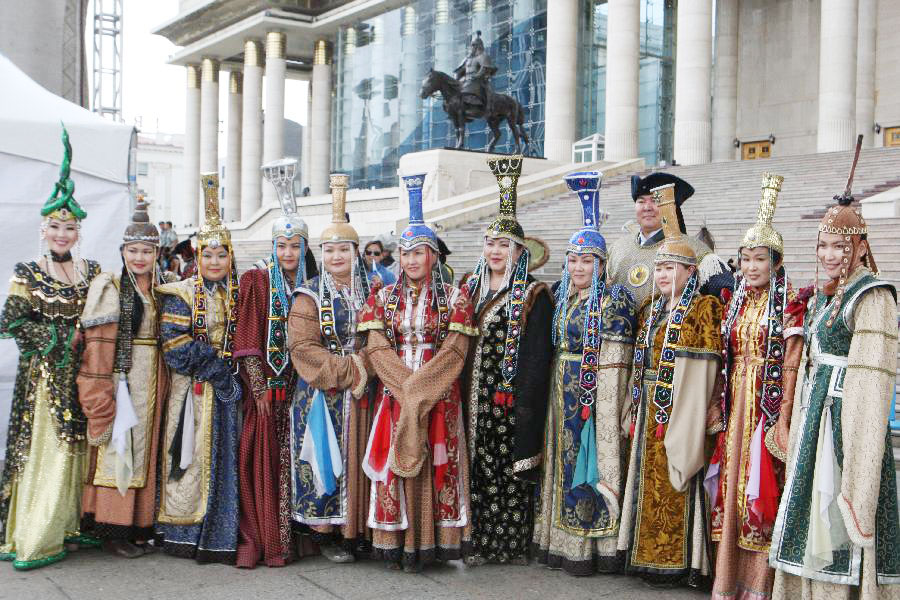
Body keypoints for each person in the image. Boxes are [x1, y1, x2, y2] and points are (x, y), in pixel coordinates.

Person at [769, 145, 900, 600]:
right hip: (817, 420)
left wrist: (857, 457)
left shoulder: (873, 295)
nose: (827, 254)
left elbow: (872, 380)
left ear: (861, 246)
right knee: (808, 512)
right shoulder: (826, 295)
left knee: (837, 513)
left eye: (839, 246)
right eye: (822, 245)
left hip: (847, 424)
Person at [358, 173, 478, 573]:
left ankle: (431, 543)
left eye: (419, 251)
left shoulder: (455, 298)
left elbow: (454, 351)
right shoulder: (382, 297)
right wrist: (405, 389)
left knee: (437, 464)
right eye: (405, 252)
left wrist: (421, 391)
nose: (411, 259)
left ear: (433, 256)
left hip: (439, 395)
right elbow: (376, 346)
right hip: (395, 392)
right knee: (396, 465)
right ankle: (395, 544)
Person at [0, 126, 102, 570]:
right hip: (42, 380)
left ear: (79, 231)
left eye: (71, 227)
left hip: (81, 376)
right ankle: (36, 534)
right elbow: (10, 322)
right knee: (48, 449)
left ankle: (68, 525)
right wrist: (58, 338)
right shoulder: (27, 272)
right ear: (44, 229)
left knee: (79, 448)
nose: (63, 234)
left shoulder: (91, 271)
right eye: (56, 226)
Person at [617, 182, 724, 588]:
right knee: (646, 480)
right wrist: (633, 407)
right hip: (648, 411)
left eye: (671, 268)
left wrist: (686, 420)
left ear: (690, 272)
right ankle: (645, 556)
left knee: (677, 481)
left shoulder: (701, 309)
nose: (662, 275)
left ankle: (682, 562)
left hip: (680, 409)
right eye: (659, 268)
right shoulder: (651, 308)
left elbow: (701, 375)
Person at [532, 172, 637, 576]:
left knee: (588, 462)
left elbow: (617, 361)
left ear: (601, 263)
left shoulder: (615, 300)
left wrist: (604, 409)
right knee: (560, 462)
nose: (578, 266)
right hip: (560, 395)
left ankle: (591, 547)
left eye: (586, 260)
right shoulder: (560, 296)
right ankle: (556, 538)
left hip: (594, 395)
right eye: (573, 259)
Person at [707, 174, 804, 599]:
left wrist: (782, 420)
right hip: (735, 409)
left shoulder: (789, 306)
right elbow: (724, 360)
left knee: (764, 492)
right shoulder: (737, 304)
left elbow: (790, 365)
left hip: (766, 410)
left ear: (775, 262)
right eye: (744, 259)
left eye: (759, 260)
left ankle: (760, 584)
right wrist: (715, 404)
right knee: (732, 491)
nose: (750, 268)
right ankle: (728, 582)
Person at [459, 156, 553, 567]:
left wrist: (523, 401)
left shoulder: (533, 295)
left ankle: (508, 544)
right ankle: (474, 539)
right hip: (470, 396)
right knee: (475, 466)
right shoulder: (469, 288)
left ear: (519, 252)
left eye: (504, 245)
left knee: (505, 469)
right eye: (490, 243)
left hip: (509, 401)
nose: (495, 251)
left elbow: (536, 357)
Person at [77, 198, 173, 558]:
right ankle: (113, 526)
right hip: (124, 376)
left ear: (156, 253)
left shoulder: (164, 287)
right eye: (132, 250)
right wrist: (102, 389)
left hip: (155, 377)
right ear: (123, 251)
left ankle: (139, 525)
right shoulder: (112, 286)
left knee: (146, 451)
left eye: (146, 251)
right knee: (120, 446)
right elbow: (99, 344)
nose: (139, 258)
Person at [154, 174, 242, 564]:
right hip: (192, 392)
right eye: (208, 255)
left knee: (225, 460)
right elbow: (175, 347)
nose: (215, 262)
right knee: (188, 459)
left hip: (227, 395)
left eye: (221, 255)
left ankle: (219, 532)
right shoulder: (180, 293)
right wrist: (217, 371)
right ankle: (183, 532)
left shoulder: (238, 292)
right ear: (196, 255)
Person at [287, 173, 372, 563]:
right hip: (324, 391)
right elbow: (302, 348)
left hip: (366, 390)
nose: (337, 257)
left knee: (361, 459)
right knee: (326, 457)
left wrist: (368, 366)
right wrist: (349, 370)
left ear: (357, 252)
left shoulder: (375, 291)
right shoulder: (307, 294)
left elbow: (382, 339)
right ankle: (327, 533)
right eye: (330, 250)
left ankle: (357, 529)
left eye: (344, 249)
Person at [234, 166, 313, 568]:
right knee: (263, 464)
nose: (288, 253)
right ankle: (267, 542)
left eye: (295, 246)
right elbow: (247, 341)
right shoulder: (256, 280)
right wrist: (259, 387)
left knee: (296, 463)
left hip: (299, 392)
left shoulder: (308, 285)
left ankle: (295, 538)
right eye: (282, 245)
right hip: (266, 392)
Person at [606, 172, 733, 306]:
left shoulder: (695, 250)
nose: (647, 208)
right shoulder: (616, 248)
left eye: (655, 201)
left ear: (671, 208)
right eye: (641, 201)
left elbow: (727, 298)